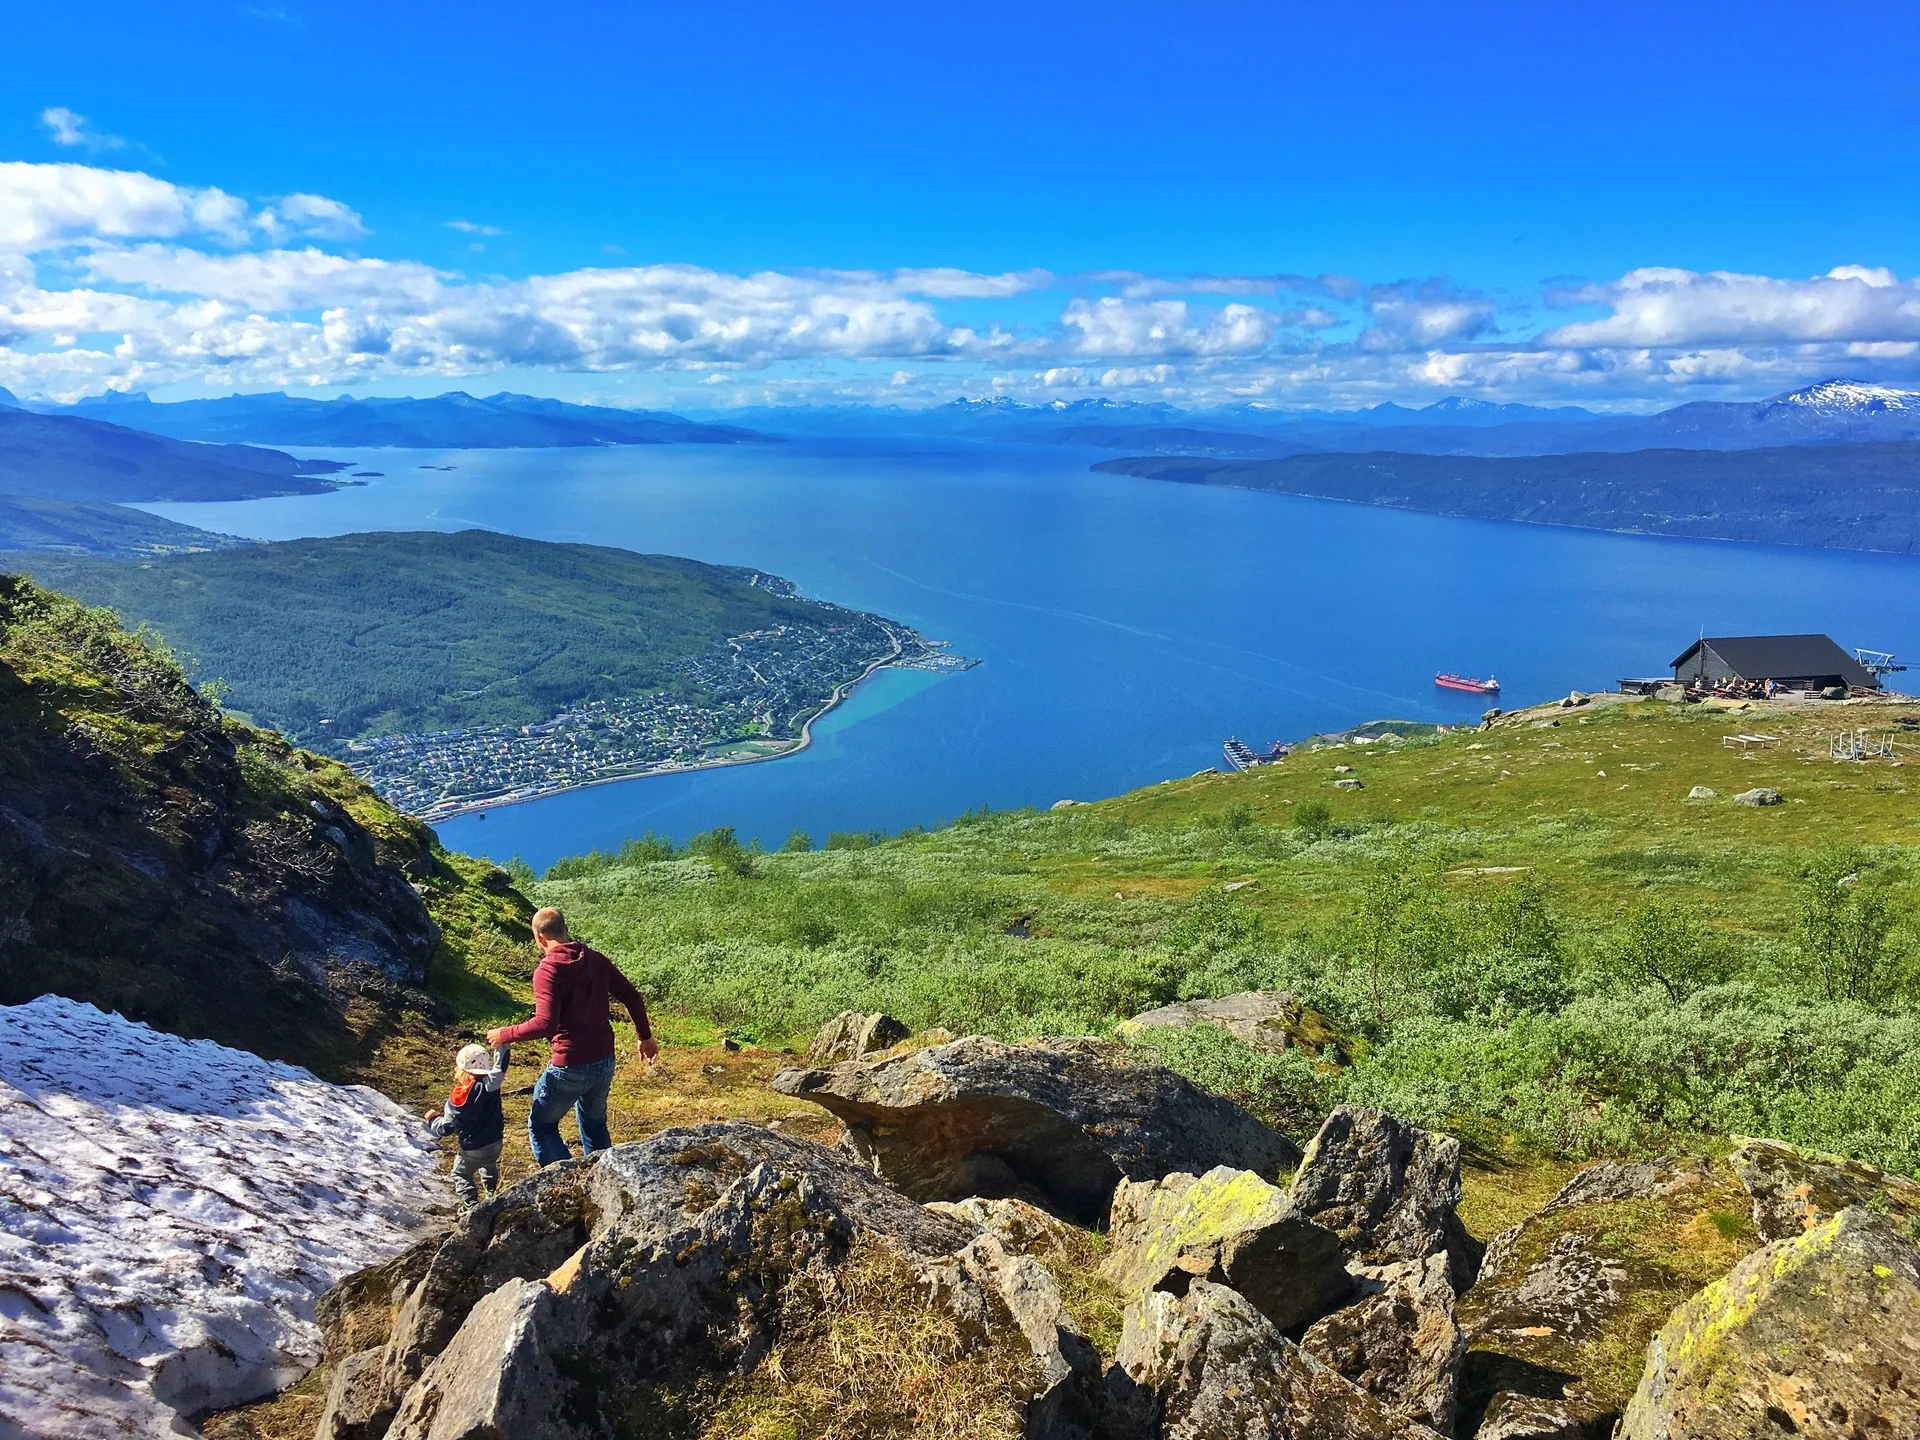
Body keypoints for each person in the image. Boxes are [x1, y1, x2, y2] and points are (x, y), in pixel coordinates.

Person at [488, 907, 658, 1167]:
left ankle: (568, 1183)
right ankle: (606, 1178)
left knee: (542, 1126)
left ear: (539, 938)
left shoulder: (548, 970)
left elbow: (545, 1024)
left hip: (569, 1065)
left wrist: (504, 1034)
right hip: (604, 1060)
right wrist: (645, 1037)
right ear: (565, 930)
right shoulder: (596, 959)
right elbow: (631, 996)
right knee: (594, 1123)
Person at [424, 1042, 510, 1207]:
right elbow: (500, 1067)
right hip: (495, 1143)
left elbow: (447, 1128)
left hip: (472, 1147)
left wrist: (433, 1120)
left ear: (463, 1071)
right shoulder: (491, 1085)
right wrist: (503, 1046)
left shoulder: (458, 1099)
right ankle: (492, 1191)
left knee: (460, 1173)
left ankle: (470, 1204)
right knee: (489, 1163)